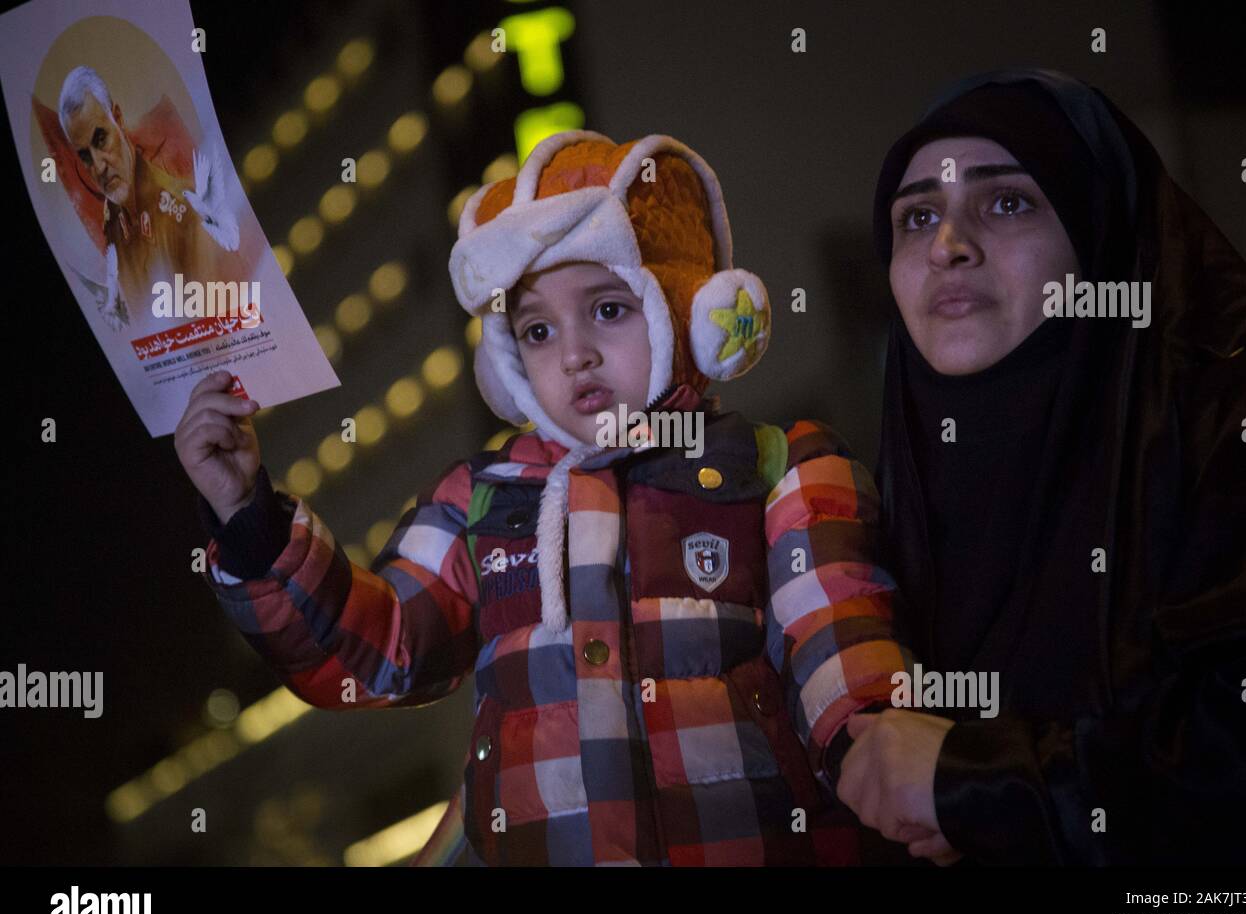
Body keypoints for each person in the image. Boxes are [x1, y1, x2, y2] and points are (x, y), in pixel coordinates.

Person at [176, 130, 911, 865]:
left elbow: (839, 647)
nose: (573, 353)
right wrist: (250, 519)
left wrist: (884, 750)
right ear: (505, 362)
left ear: (690, 309)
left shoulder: (780, 471)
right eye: (535, 328)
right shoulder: (479, 501)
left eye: (609, 309)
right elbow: (382, 648)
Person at [833, 68, 1246, 865]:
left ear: (1098, 230)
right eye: (916, 218)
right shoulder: (882, 488)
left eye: (1007, 201)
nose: (948, 245)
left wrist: (973, 781)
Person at [58, 65, 238, 326]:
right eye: (85, 156)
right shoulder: (113, 228)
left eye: (100, 140)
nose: (98, 166)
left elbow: (212, 334)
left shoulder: (182, 213)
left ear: (118, 119)